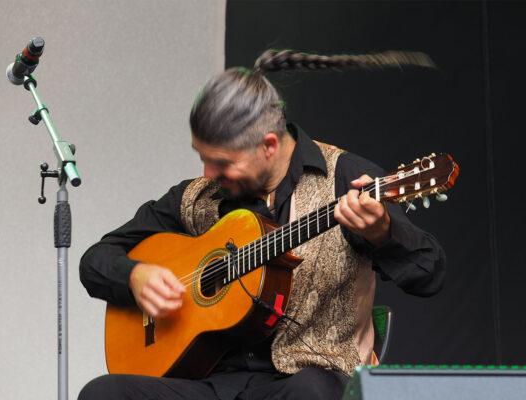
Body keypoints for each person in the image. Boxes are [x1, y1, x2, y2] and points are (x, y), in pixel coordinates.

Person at [78, 49, 445, 400]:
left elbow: (430, 272)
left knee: (311, 393)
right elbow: (96, 259)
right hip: (213, 384)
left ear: (268, 145)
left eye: (221, 162)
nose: (207, 174)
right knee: (102, 393)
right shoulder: (197, 197)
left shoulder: (345, 179)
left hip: (307, 380)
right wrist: (134, 276)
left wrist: (382, 233)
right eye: (202, 159)